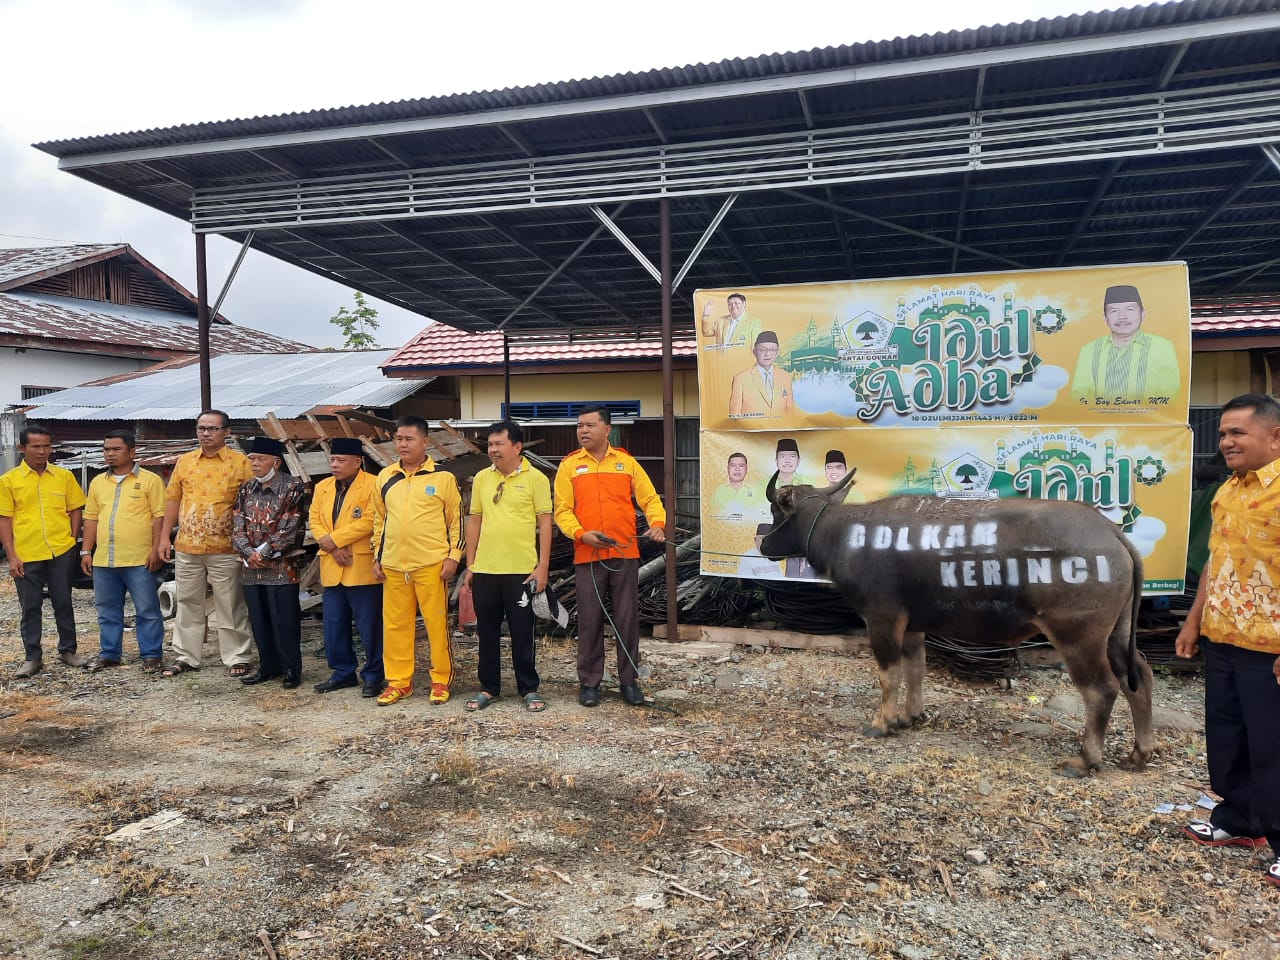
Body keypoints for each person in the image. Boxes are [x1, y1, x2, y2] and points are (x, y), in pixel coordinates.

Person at [1175, 393, 1280, 888]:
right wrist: (1193, 621)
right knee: (1229, 736)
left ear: (1274, 435)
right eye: (1222, 434)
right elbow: (1215, 564)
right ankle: (1241, 822)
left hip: (1271, 648)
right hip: (1223, 636)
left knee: (1272, 744)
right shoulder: (1227, 492)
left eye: (1237, 432)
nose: (1226, 442)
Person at [554, 404, 666, 707]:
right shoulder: (570, 466)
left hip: (624, 552)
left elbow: (650, 498)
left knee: (627, 618)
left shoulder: (626, 463)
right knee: (589, 619)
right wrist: (581, 534)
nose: (583, 431)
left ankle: (629, 681)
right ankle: (590, 683)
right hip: (588, 555)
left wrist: (657, 524)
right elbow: (562, 511)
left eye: (590, 425)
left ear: (607, 429)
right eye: (579, 426)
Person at [462, 420, 552, 713]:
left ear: (517, 446)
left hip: (521, 570)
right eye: (490, 444)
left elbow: (545, 522)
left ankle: (529, 687)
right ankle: (489, 687)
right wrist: (470, 564)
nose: (493, 450)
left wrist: (543, 567)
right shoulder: (482, 479)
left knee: (522, 632)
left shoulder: (536, 479)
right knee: (487, 632)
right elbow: (474, 520)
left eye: (499, 444)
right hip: (486, 569)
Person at [371, 415, 462, 706]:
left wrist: (453, 557)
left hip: (431, 565)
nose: (402, 444)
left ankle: (440, 679)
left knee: (436, 624)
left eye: (409, 439)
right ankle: (398, 681)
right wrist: (378, 556)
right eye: (398, 438)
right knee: (396, 626)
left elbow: (456, 522)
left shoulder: (442, 478)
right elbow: (380, 521)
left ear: (425, 442)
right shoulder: (386, 478)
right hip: (395, 565)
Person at [158, 410, 254, 678]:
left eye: (212, 429)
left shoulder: (240, 463)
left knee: (230, 603)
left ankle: (237, 656)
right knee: (188, 602)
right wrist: (165, 537)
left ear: (227, 432)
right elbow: (173, 500)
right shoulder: (185, 462)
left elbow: (250, 504)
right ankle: (186, 656)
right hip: (188, 545)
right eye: (201, 428)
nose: (206, 434)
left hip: (226, 547)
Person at [0, 424, 89, 677]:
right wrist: (11, 555)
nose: (42, 451)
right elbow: (4, 519)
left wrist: (72, 540)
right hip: (26, 553)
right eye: (36, 446)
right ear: (22, 448)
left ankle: (68, 651)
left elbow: (75, 509)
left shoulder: (63, 476)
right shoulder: (8, 481)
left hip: (60, 550)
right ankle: (32, 657)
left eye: (46, 446)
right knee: (30, 606)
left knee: (63, 601)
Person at [80, 430, 166, 674]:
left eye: (116, 449)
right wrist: (86, 551)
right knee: (106, 610)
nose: (110, 454)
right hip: (104, 559)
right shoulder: (98, 482)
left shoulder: (150, 480)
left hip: (140, 559)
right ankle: (109, 653)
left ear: (132, 451)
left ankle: (151, 655)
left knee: (147, 609)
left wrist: (155, 550)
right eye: (106, 449)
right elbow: (91, 518)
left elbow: (159, 516)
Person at [309, 437, 384, 698]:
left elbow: (372, 519)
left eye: (341, 460)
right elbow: (315, 519)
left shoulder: (374, 484)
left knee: (370, 626)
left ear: (357, 462)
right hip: (333, 563)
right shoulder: (323, 487)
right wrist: (331, 546)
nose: (335, 464)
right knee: (334, 624)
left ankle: (374, 675)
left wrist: (337, 539)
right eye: (332, 459)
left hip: (359, 564)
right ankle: (343, 672)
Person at [232, 437, 306, 690]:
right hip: (251, 569)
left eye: (260, 459)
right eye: (252, 459)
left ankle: (290, 669)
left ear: (276, 461)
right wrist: (248, 552)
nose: (254, 463)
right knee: (259, 619)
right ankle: (268, 666)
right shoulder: (246, 489)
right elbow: (237, 524)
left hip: (281, 568)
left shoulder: (292, 487)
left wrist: (263, 553)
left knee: (284, 620)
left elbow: (291, 525)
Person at [1070, 284, 1180, 403]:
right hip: (1101, 420)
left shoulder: (1162, 347)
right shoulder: (1089, 350)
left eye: (1129, 309)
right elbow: (1079, 397)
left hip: (1146, 420)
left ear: (1143, 314)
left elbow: (1170, 396)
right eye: (1113, 310)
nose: (1122, 316)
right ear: (1105, 318)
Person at [729, 331, 794, 418]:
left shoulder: (786, 377)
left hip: (780, 430)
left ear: (777, 353)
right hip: (752, 430)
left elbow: (790, 412)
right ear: (754, 352)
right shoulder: (740, 379)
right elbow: (734, 415)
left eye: (772, 350)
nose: (767, 354)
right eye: (762, 350)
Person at [709, 452, 765, 520]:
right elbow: (712, 516)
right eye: (733, 465)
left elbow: (762, 515)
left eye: (741, 466)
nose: (737, 469)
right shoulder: (718, 491)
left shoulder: (756, 491)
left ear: (746, 469)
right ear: (727, 468)